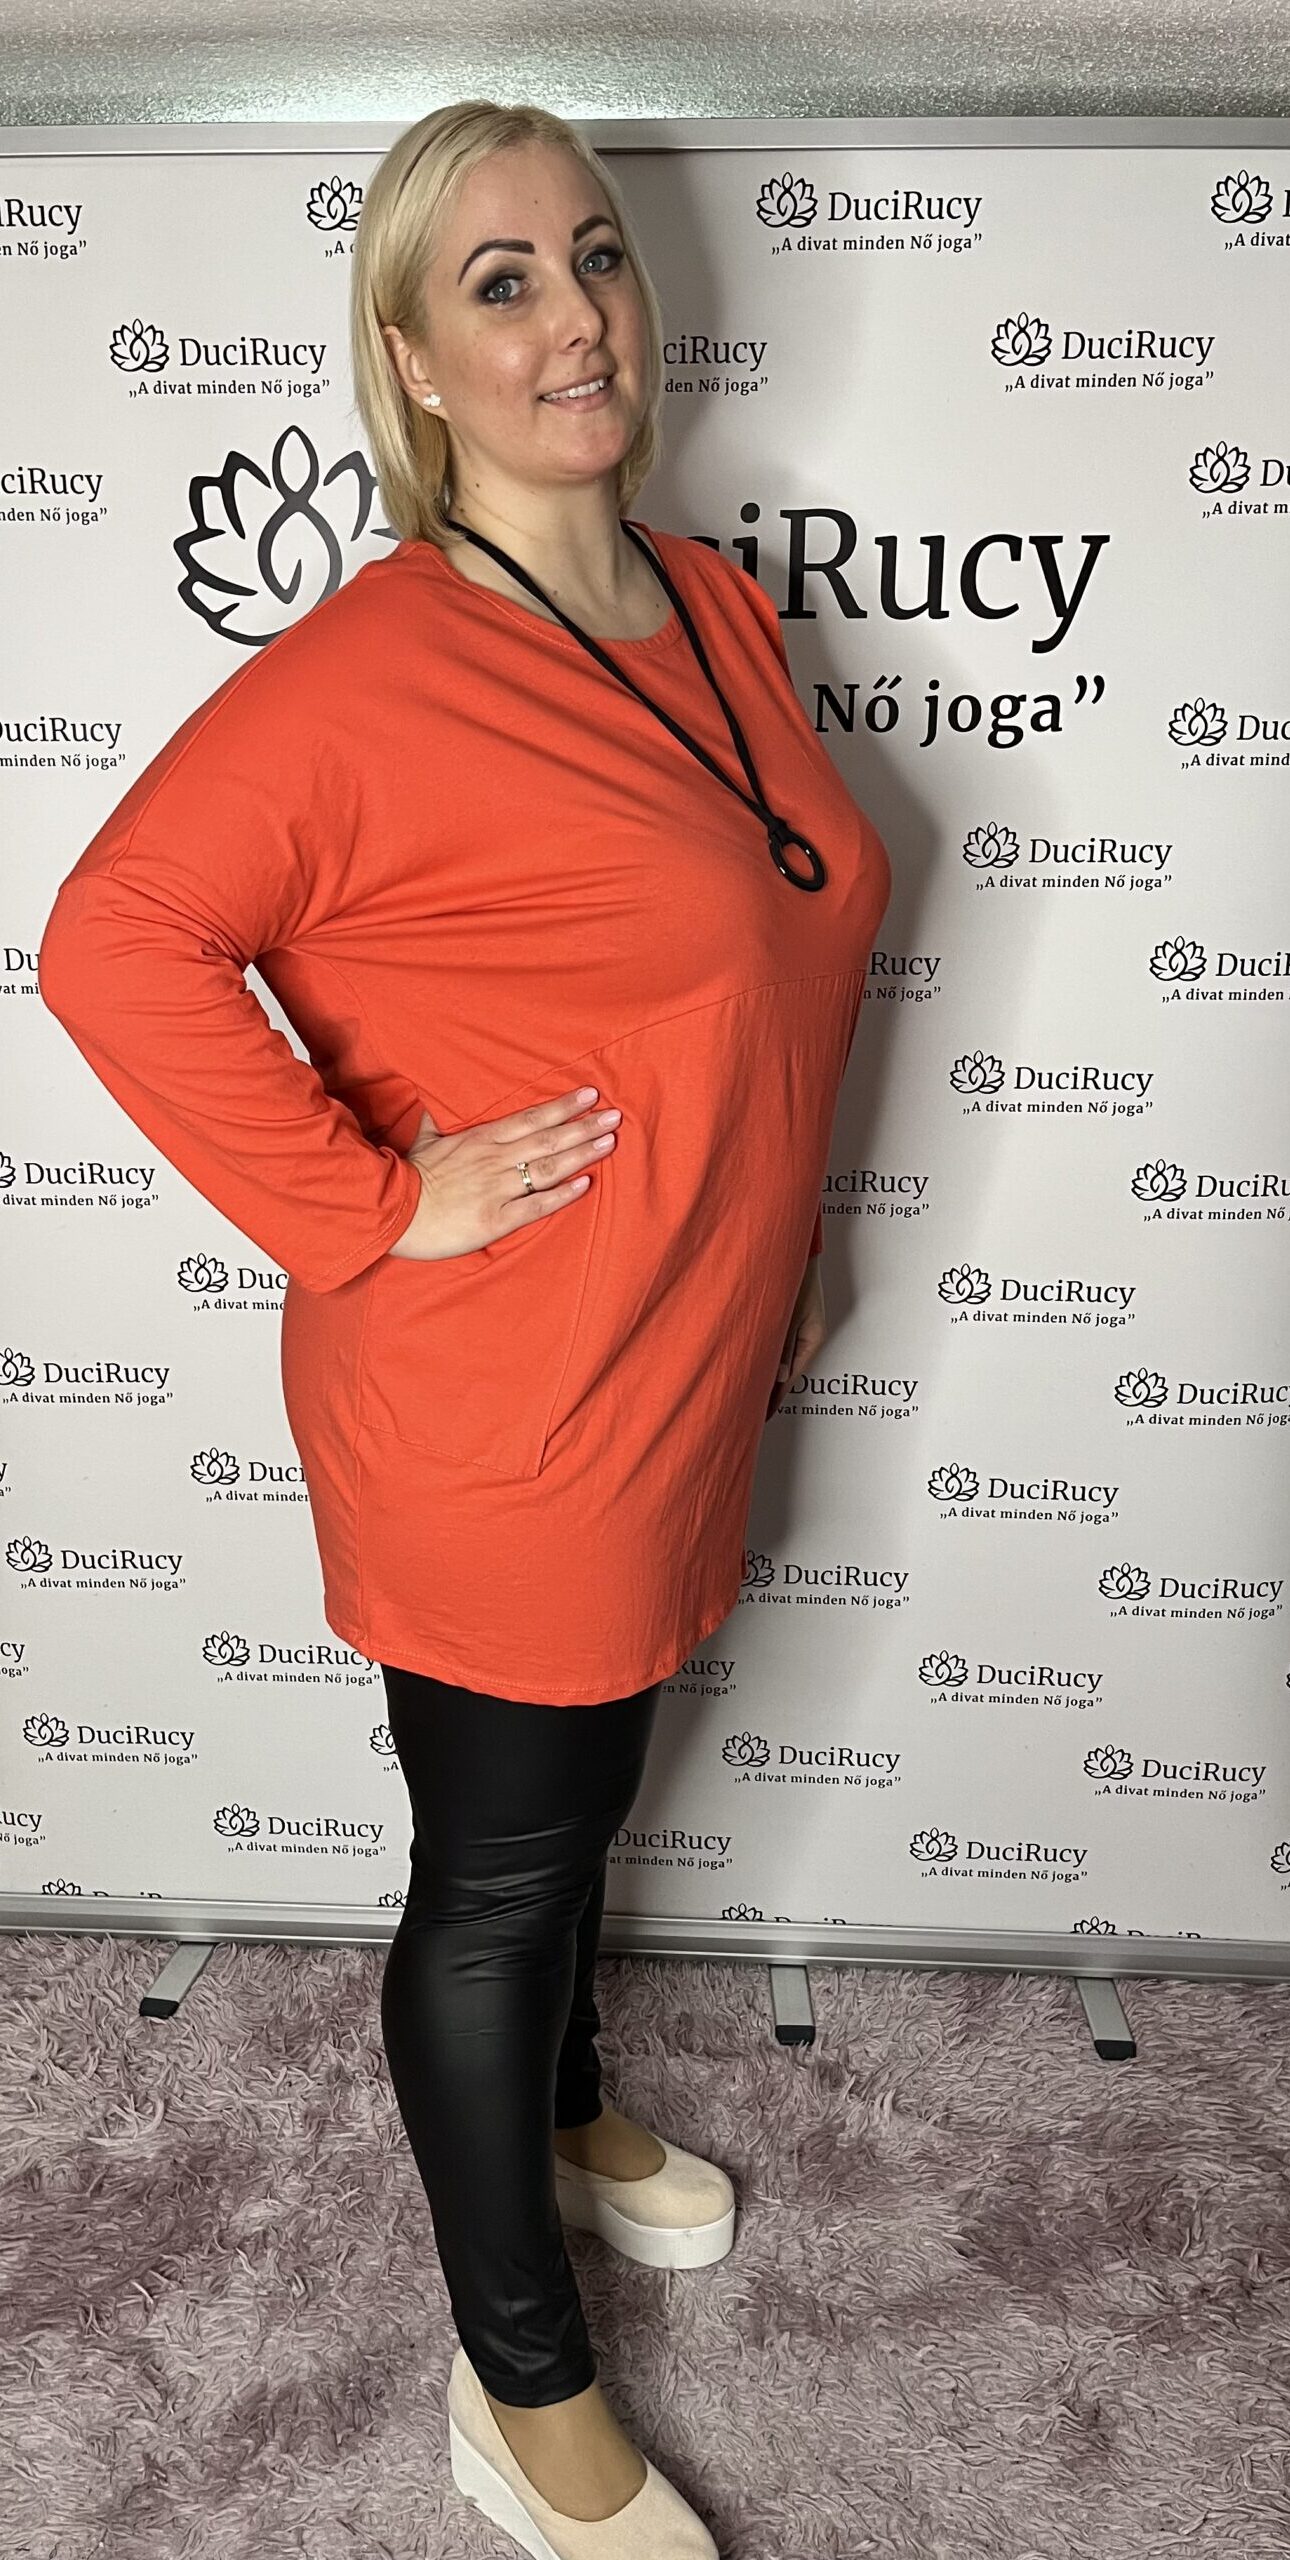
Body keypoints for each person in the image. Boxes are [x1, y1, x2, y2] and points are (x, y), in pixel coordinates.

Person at [37, 98, 891, 2559]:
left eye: (594, 255)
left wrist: (790, 1236)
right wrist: (367, 1200)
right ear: (411, 359)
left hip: (680, 1347)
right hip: (502, 1394)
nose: (573, 315)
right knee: (502, 1872)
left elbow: (770, 943)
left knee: (573, 1798)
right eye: (497, 282)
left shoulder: (711, 606)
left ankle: (567, 2106)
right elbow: (111, 938)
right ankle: (519, 2390)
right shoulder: (379, 668)